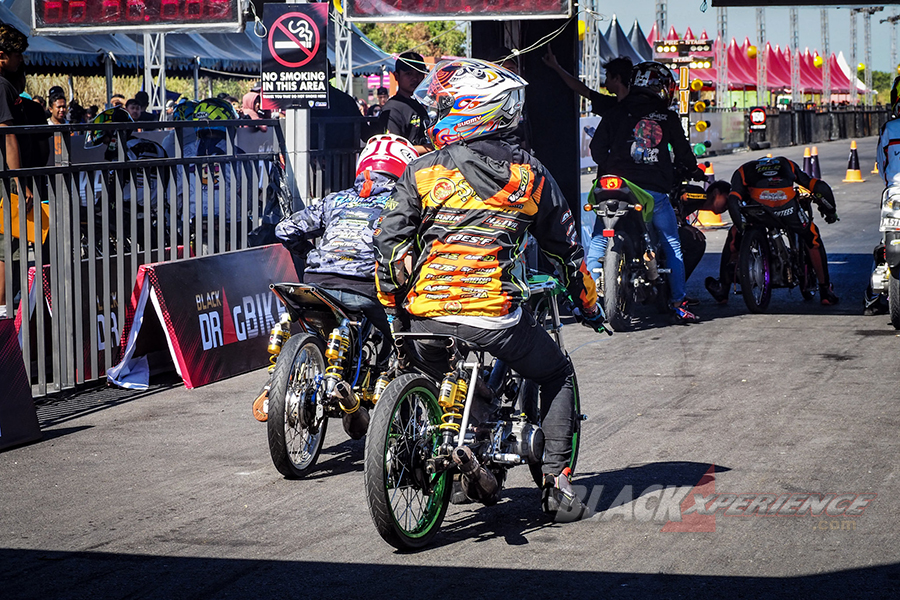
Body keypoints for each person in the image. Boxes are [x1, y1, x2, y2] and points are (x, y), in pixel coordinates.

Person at [373, 58, 604, 520]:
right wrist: (590, 304)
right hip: (492, 316)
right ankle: (557, 485)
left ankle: (454, 453)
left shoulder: (420, 171)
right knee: (556, 373)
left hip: (425, 320)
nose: (435, 112)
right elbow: (567, 252)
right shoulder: (530, 176)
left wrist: (396, 310)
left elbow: (388, 243)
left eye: (442, 104)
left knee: (441, 368)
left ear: (469, 110)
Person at [275, 134, 419, 366]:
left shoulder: (335, 199)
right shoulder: (402, 206)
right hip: (367, 287)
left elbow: (285, 229)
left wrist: (310, 255)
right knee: (406, 342)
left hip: (316, 282)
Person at [589, 61, 703, 324]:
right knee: (671, 242)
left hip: (612, 185)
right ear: (662, 88)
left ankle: (588, 298)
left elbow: (596, 149)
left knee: (598, 238)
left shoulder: (615, 112)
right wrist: (693, 170)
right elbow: (685, 156)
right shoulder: (668, 117)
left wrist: (610, 165)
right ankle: (678, 302)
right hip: (652, 191)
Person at [703, 156, 839, 306]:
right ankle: (826, 292)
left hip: (760, 210)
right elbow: (818, 187)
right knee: (813, 238)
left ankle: (723, 289)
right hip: (788, 208)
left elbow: (733, 200)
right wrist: (830, 211)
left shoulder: (742, 171)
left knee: (734, 235)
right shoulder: (786, 163)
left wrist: (741, 227)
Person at [0, 22, 29, 317]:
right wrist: (20, 183)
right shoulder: (1, 86)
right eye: (17, 54)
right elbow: (8, 137)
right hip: (5, 182)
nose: (21, 59)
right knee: (6, 247)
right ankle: (3, 313)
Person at [864, 76, 900, 314]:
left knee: (886, 238)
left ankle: (873, 295)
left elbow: (881, 164)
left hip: (894, 191)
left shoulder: (889, 129)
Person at [543, 46, 632, 115]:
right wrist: (556, 67)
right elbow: (583, 89)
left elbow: (584, 90)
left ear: (617, 78)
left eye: (607, 77)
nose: (605, 83)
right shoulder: (609, 104)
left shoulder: (636, 105)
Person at [380, 51, 431, 154]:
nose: (415, 78)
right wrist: (430, 148)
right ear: (396, 76)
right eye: (409, 74)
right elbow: (394, 148)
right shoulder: (392, 109)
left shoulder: (418, 106)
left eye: (419, 73)